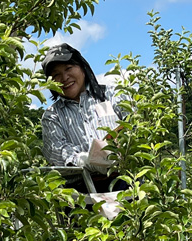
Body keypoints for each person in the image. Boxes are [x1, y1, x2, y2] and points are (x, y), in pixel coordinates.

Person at [41, 43, 131, 193]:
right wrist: (86, 160)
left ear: (82, 68)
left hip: (124, 181)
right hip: (82, 191)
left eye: (69, 68)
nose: (64, 78)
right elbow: (56, 153)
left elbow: (136, 126)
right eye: (56, 75)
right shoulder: (52, 116)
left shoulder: (112, 95)